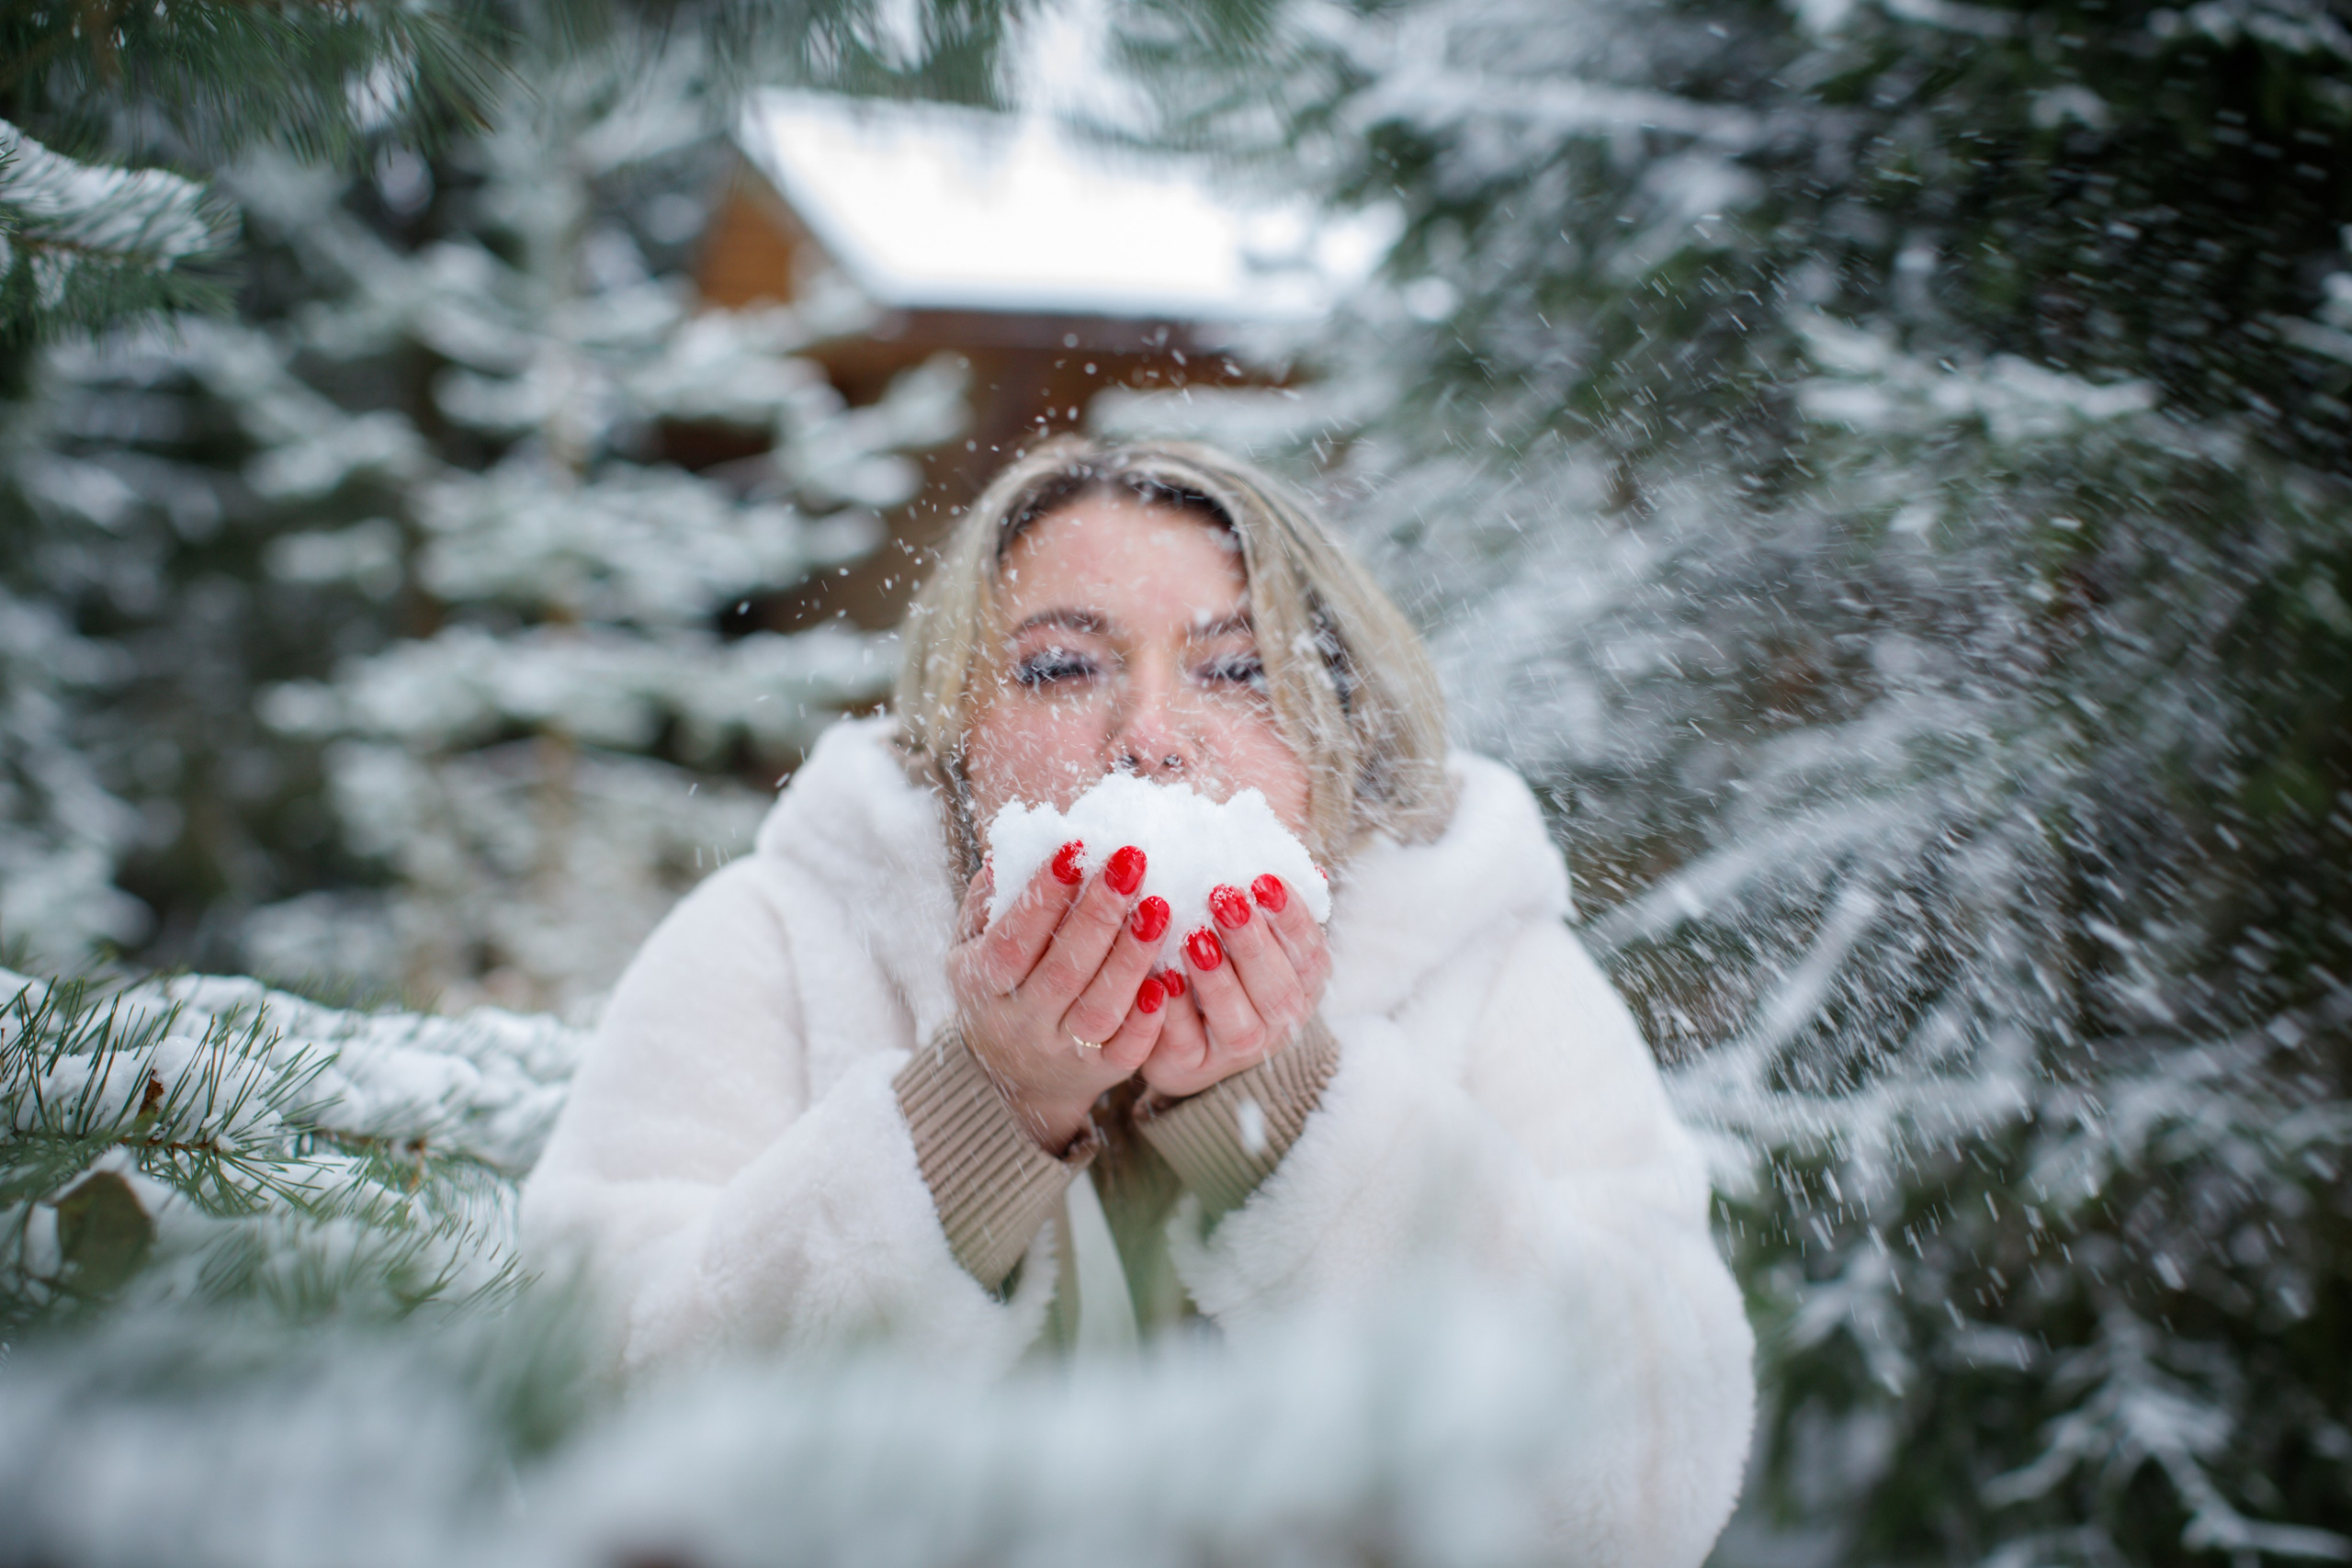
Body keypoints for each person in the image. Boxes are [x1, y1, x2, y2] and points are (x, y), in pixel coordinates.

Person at [520, 438, 1753, 1564]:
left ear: (1335, 729)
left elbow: (1645, 1492)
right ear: (955, 739)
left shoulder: (1484, 966)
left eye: (1238, 670)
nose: (1152, 736)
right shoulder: (779, 942)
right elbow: (582, 1443)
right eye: (1062, 667)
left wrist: (1286, 1116)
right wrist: (981, 1111)